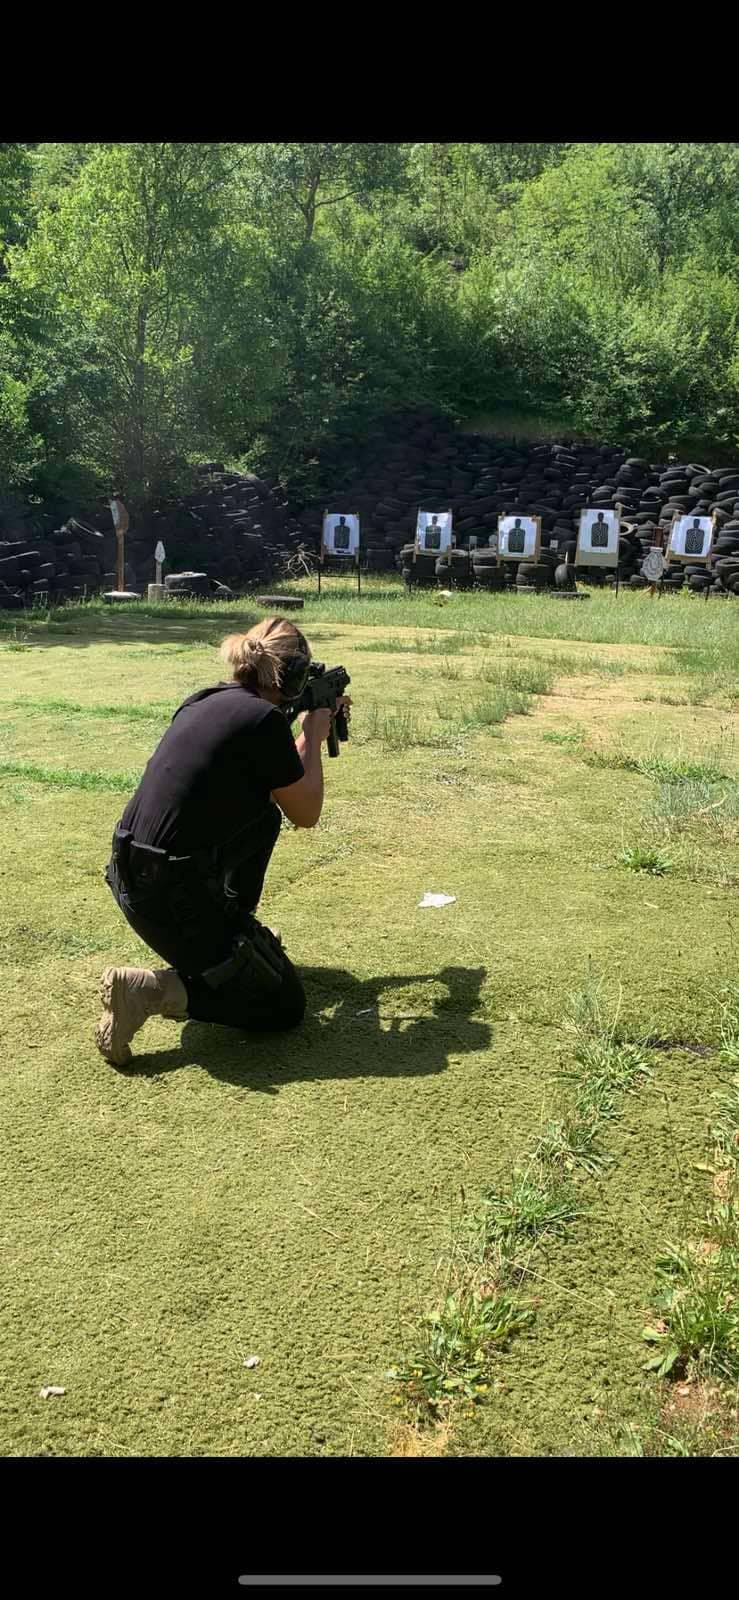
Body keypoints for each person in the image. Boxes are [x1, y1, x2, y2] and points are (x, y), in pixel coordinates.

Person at [95, 617, 350, 1069]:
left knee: (263, 818)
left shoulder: (205, 700)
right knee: (284, 1005)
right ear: (293, 677)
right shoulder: (264, 720)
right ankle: (150, 991)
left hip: (132, 879)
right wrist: (312, 735)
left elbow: (280, 783)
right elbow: (306, 812)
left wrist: (305, 731)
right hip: (171, 900)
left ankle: (233, 934)